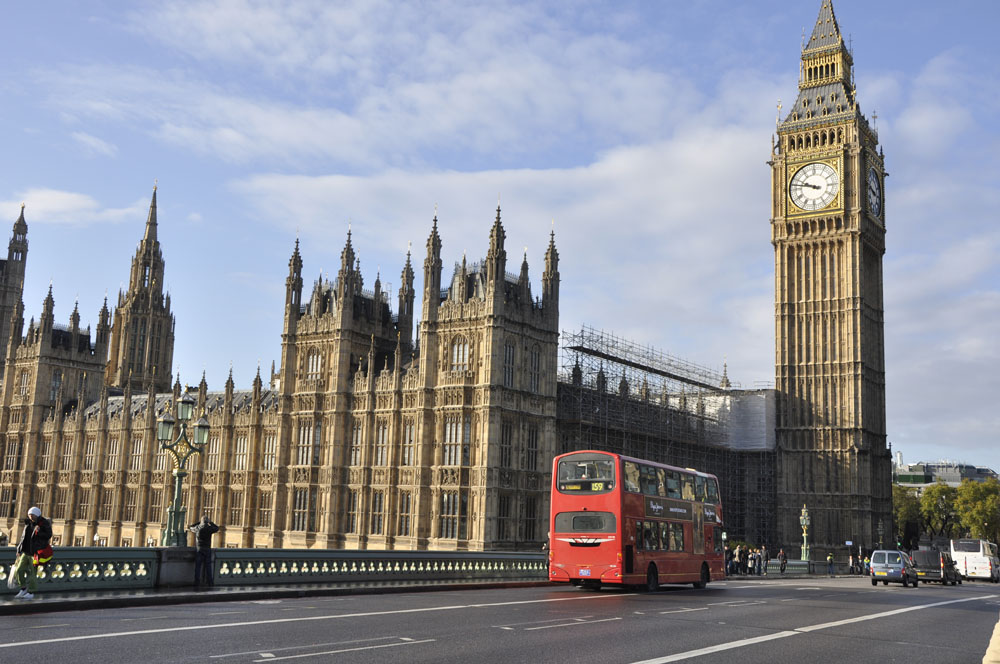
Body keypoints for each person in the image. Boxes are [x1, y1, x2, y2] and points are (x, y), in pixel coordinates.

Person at [13, 506, 52, 600]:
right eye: (29, 515)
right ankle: (23, 589)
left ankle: (31, 592)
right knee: (19, 570)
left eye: (32, 515)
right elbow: (23, 538)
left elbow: (48, 535)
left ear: (37, 515)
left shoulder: (43, 523)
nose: (31, 517)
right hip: (26, 552)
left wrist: (39, 532)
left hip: (35, 553)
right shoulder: (28, 523)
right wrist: (19, 549)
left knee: (32, 573)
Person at [189, 515, 220, 587]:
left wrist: (199, 523)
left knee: (198, 567)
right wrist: (211, 523)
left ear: (202, 521)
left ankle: (197, 583)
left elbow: (191, 527)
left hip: (199, 549)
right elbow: (217, 528)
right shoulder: (209, 528)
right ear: (207, 521)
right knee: (208, 567)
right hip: (207, 549)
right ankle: (210, 582)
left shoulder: (198, 528)